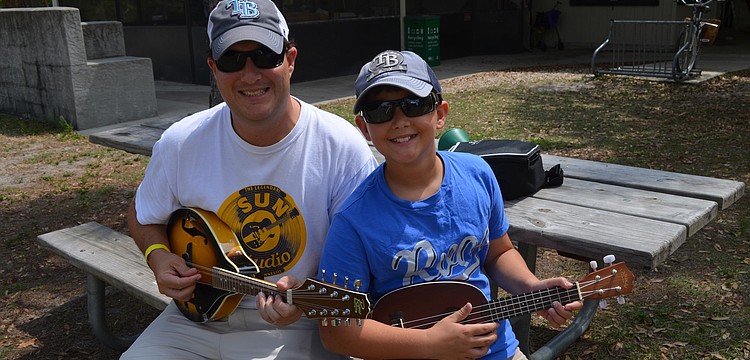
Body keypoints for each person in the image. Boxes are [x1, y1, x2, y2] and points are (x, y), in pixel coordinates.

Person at [121, 1, 378, 359]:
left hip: (301, 323)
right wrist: (158, 255)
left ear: (289, 59)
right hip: (195, 320)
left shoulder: (340, 147)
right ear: (213, 68)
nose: (250, 74)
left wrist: (308, 296)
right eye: (232, 60)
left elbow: (369, 255)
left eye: (263, 56)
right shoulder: (182, 142)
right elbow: (143, 212)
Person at [316, 50, 582, 360]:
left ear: (440, 114)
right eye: (380, 111)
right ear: (364, 129)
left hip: (495, 350)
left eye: (414, 104)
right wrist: (428, 344)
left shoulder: (478, 175)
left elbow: (499, 253)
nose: (400, 121)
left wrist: (530, 286)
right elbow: (336, 331)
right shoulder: (353, 220)